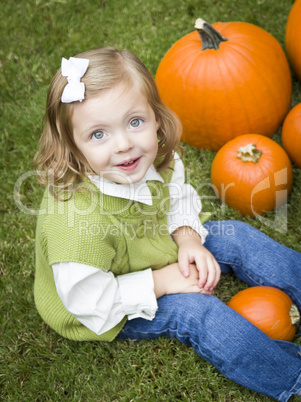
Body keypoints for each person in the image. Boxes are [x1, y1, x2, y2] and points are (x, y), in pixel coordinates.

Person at [34, 47, 301, 401]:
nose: (125, 145)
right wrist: (162, 281)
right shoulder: (75, 221)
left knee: (233, 235)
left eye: (135, 122)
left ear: (156, 117)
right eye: (99, 134)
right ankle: (290, 377)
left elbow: (177, 194)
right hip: (107, 300)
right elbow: (90, 301)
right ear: (71, 146)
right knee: (197, 311)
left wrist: (188, 238)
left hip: (154, 245)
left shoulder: (154, 155)